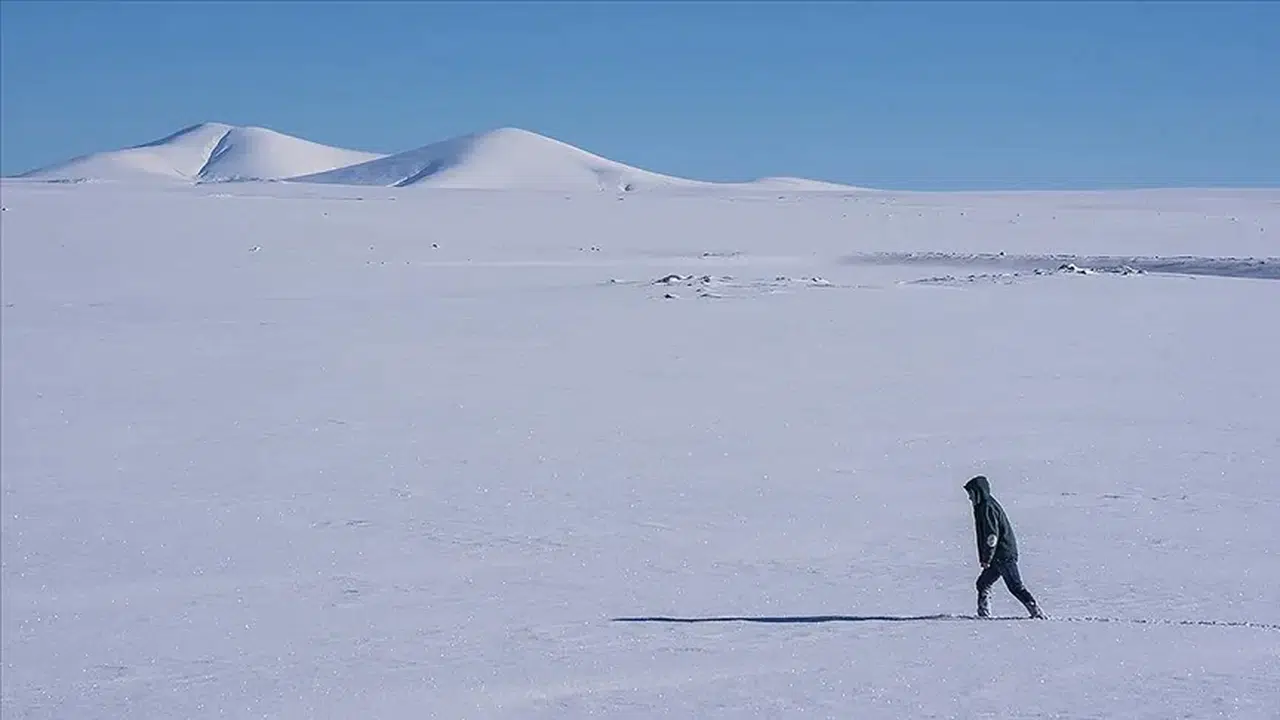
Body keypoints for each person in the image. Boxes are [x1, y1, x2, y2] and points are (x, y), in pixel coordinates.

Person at [964, 475, 1046, 619]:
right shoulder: (985, 505)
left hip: (1002, 554)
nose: (970, 498)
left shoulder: (987, 507)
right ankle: (984, 614)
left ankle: (1036, 612)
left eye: (971, 494)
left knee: (1015, 587)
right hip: (998, 555)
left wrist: (986, 558)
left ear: (978, 492)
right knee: (983, 583)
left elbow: (991, 536)